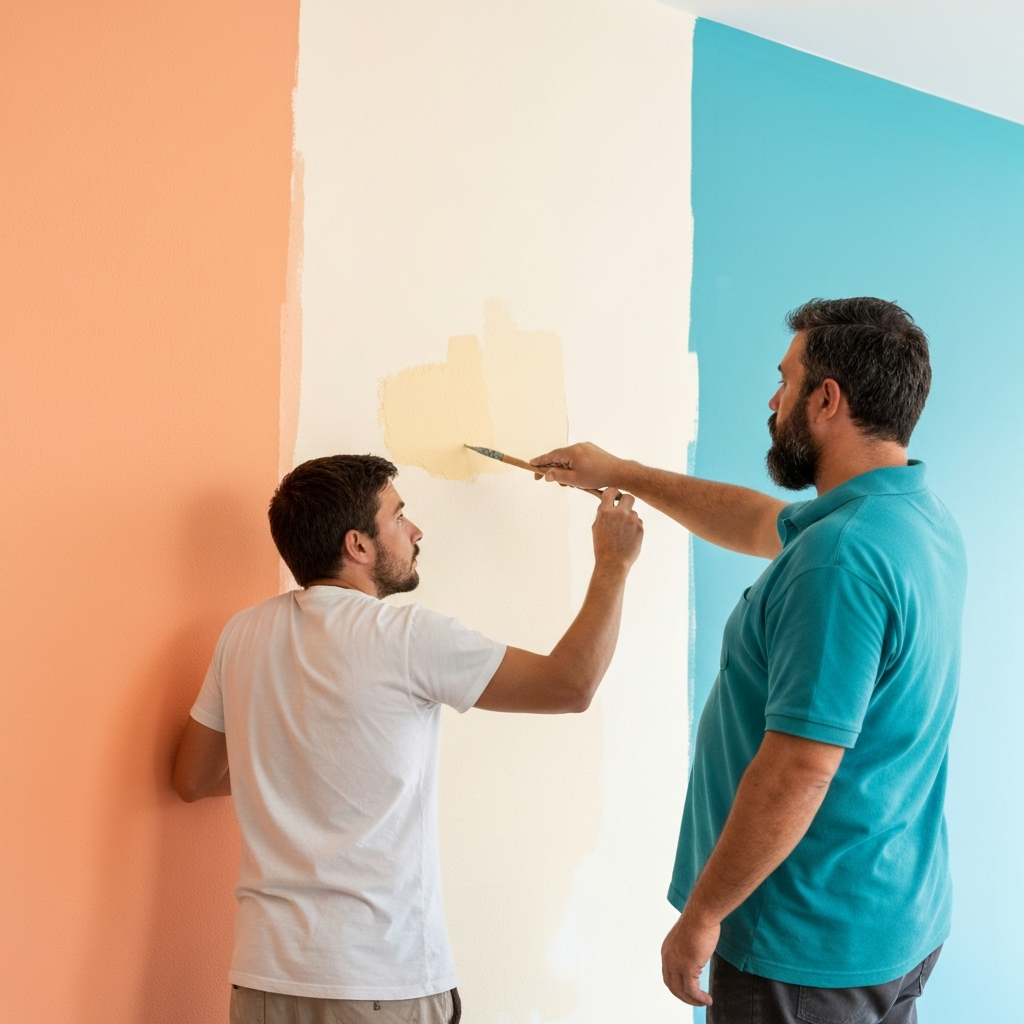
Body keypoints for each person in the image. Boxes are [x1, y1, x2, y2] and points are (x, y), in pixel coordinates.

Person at [531, 297, 964, 1023]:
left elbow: (801, 768)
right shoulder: (910, 515)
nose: (773, 400)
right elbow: (760, 521)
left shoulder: (838, 561)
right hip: (893, 919)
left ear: (826, 400)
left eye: (785, 381)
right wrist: (620, 471)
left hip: (802, 947)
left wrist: (704, 913)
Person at [173, 455, 643, 1024]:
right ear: (358, 545)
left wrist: (286, 764)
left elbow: (193, 778)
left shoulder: (243, 634)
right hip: (378, 982)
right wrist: (613, 563)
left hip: (264, 980)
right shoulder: (406, 636)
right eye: (398, 516)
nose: (415, 531)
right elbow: (570, 685)